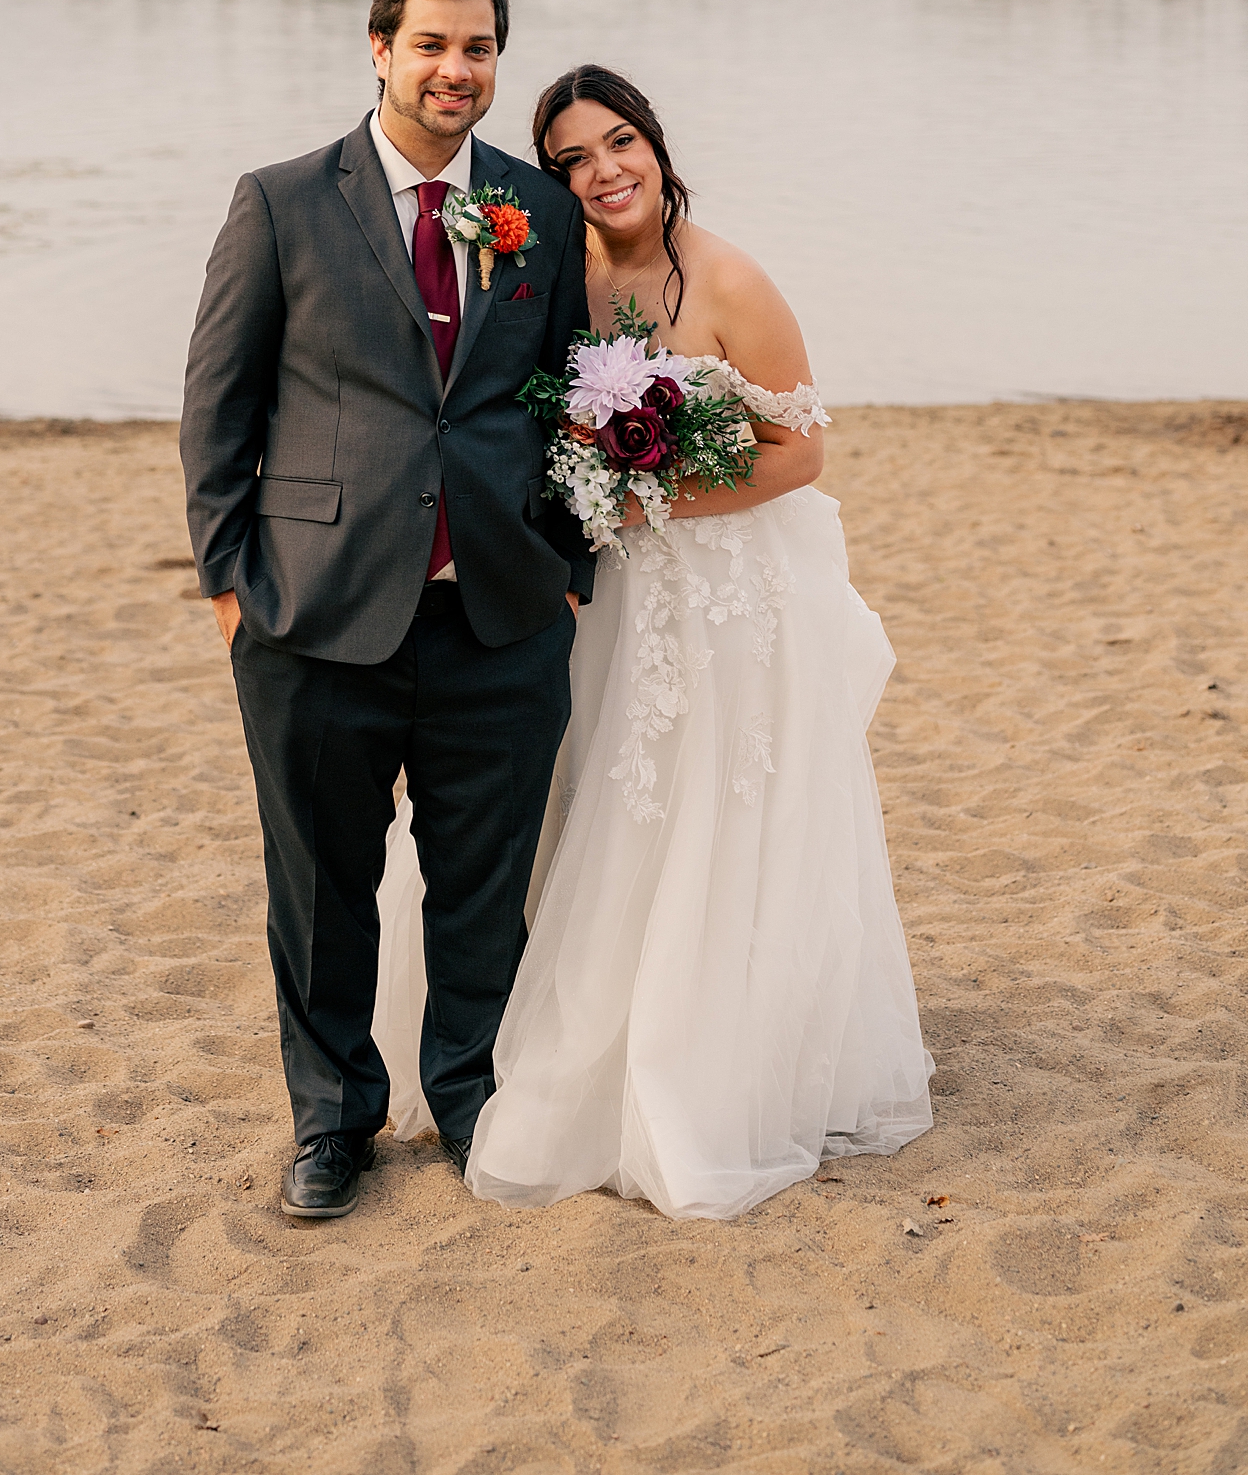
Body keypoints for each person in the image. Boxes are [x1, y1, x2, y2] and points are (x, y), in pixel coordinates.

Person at [373, 64, 933, 1220]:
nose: (603, 172)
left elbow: (798, 450)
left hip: (723, 585)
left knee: (705, 810)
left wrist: (649, 497)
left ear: (657, 147)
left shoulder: (728, 277)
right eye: (572, 159)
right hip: (600, 587)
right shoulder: (551, 274)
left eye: (619, 143)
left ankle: (698, 1045)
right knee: (592, 797)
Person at [179, 0, 594, 1222]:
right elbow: (218, 410)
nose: (455, 71)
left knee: (484, 883)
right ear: (379, 49)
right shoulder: (284, 201)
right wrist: (232, 585)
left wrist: (566, 565)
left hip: (498, 615)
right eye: (431, 45)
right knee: (320, 889)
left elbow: (570, 391)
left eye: (476, 50)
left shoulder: (539, 210)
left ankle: (469, 1106)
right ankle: (332, 1122)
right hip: (314, 614)